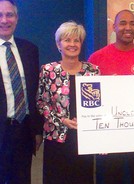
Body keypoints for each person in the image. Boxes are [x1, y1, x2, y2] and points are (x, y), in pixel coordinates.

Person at [88, 9, 134, 183]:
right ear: (114, 27)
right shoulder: (96, 59)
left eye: (132, 23)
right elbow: (90, 101)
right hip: (109, 139)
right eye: (123, 23)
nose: (128, 27)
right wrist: (96, 137)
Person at [36, 21, 100, 184]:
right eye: (67, 40)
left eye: (76, 40)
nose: (72, 44)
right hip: (56, 139)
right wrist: (61, 121)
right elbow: (41, 103)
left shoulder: (93, 71)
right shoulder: (48, 71)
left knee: (82, 179)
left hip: (83, 138)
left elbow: (99, 105)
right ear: (59, 44)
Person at [0, 0, 43, 184]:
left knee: (22, 179)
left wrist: (37, 129)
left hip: (23, 130)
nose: (4, 20)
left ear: (16, 18)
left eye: (9, 14)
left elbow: (36, 93)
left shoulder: (30, 49)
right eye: (0, 15)